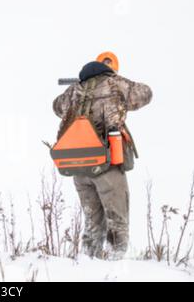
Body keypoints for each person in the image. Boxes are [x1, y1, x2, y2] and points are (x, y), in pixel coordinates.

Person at [52, 52, 152, 260]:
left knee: (91, 222)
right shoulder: (115, 83)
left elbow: (56, 106)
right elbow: (145, 94)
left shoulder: (75, 90)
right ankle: (115, 266)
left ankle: (88, 262)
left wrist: (79, 90)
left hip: (79, 166)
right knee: (117, 220)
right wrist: (119, 84)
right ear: (111, 69)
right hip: (107, 165)